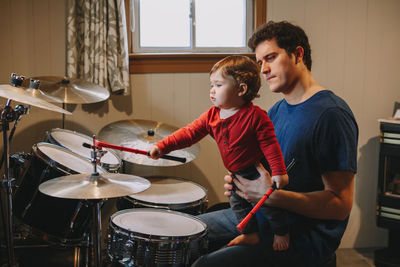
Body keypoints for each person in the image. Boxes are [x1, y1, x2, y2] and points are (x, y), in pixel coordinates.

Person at [191, 21, 358, 267]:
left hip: (301, 237)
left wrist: (272, 197)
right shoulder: (277, 110)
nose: (264, 69)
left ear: (298, 54)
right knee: (189, 234)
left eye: (271, 57)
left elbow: (339, 205)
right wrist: (241, 181)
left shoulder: (330, 115)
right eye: (260, 62)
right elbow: (263, 170)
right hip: (263, 215)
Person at [149, 55, 291, 251]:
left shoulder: (256, 116)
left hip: (255, 171)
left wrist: (278, 172)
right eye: (211, 85)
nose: (212, 90)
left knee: (269, 205)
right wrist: (163, 146)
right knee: (237, 205)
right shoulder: (212, 115)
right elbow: (189, 133)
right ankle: (250, 234)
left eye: (218, 85)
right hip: (235, 172)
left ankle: (281, 231)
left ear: (241, 89)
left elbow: (270, 145)